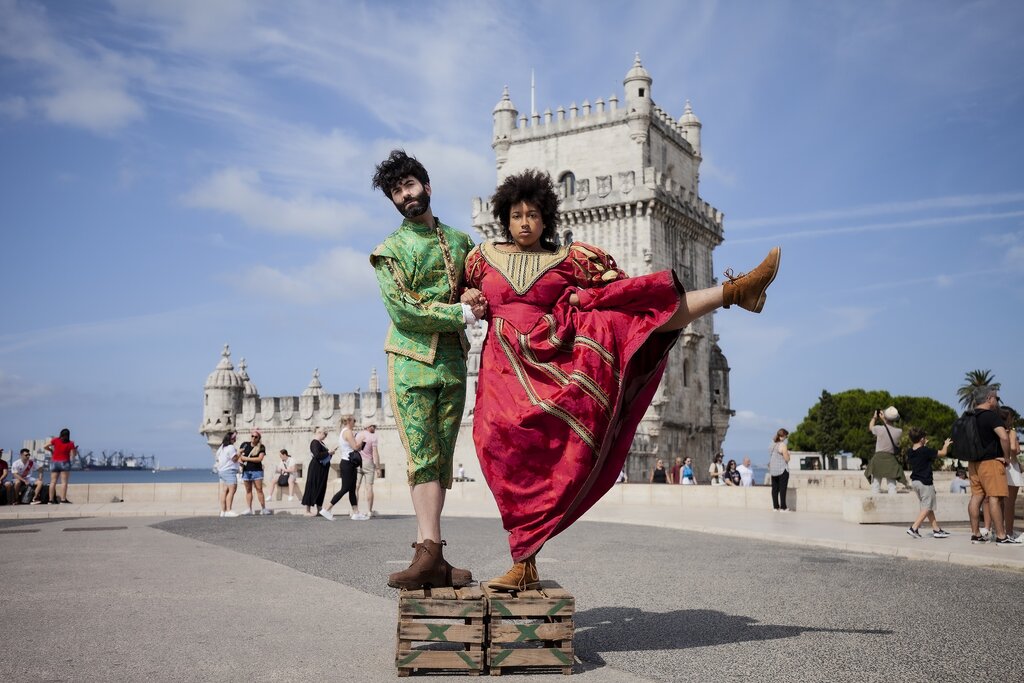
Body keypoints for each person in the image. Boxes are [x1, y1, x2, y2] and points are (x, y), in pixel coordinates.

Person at [463, 169, 782, 590]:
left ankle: (733, 291)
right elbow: (453, 297)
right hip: (502, 375)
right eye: (517, 214)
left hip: (552, 364)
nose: (524, 222)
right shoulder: (479, 259)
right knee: (495, 450)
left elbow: (628, 292)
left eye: (533, 214)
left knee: (643, 312)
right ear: (505, 217)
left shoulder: (570, 260)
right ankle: (525, 558)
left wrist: (582, 299)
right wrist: (468, 296)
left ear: (546, 219)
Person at [370, 150, 479, 589]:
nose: (405, 195)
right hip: (411, 361)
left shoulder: (460, 241)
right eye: (397, 191)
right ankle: (431, 552)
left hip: (453, 362)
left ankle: (428, 554)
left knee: (443, 459)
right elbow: (403, 309)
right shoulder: (389, 250)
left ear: (427, 187)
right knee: (422, 457)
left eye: (409, 186)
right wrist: (460, 315)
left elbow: (477, 285)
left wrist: (475, 299)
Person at [964, 386, 1015, 544]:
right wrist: (1006, 458)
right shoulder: (990, 416)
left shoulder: (968, 416)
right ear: (988, 398)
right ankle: (1001, 536)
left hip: (973, 463)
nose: (996, 401)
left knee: (976, 497)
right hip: (991, 462)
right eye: (996, 398)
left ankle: (976, 534)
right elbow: (1004, 438)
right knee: (994, 497)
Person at [905, 427, 951, 539]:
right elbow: (943, 453)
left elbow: (920, 454)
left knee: (927, 506)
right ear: (922, 439)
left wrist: (923, 445)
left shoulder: (910, 452)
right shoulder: (926, 451)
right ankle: (914, 528)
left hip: (915, 482)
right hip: (925, 482)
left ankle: (936, 530)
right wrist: (946, 444)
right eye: (924, 438)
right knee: (926, 507)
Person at [320, 416, 368, 521]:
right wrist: (362, 442)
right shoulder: (348, 432)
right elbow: (355, 447)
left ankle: (356, 513)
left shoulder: (344, 432)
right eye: (354, 420)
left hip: (348, 463)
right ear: (349, 421)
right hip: (348, 463)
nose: (355, 422)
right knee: (345, 488)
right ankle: (327, 509)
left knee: (352, 489)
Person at [865, 406, 907, 494]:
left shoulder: (879, 429)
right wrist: (885, 418)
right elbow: (889, 428)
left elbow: (870, 427)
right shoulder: (899, 431)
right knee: (892, 485)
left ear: (885, 417)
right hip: (890, 459)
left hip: (878, 459)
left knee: (876, 484)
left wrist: (875, 417)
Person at [302, 427, 334, 517]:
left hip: (322, 468)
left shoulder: (321, 443)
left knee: (321, 487)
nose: (325, 436)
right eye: (325, 434)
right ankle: (307, 510)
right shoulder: (314, 442)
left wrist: (330, 454)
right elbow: (317, 455)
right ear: (320, 433)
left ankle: (319, 508)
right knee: (312, 486)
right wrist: (328, 453)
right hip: (316, 468)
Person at [999, 405, 1021, 540]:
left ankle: (998, 531)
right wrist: (1016, 450)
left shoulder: (996, 431)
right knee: (1010, 504)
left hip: (1000, 465)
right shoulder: (1011, 431)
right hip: (1012, 467)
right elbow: (1014, 448)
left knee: (998, 502)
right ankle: (1009, 532)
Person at [238, 430, 270, 515]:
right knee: (248, 490)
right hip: (246, 470)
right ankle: (249, 509)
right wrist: (240, 460)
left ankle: (263, 508)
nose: (253, 438)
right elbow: (239, 455)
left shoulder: (261, 447)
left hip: (257, 471)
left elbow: (260, 459)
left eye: (256, 437)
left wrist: (246, 459)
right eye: (252, 436)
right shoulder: (245, 444)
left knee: (259, 489)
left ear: (259, 438)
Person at [44, 428, 78, 504]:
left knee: (52, 482)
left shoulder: (55, 440)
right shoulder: (71, 443)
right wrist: (75, 450)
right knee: (64, 482)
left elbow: (45, 446)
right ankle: (63, 500)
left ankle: (50, 500)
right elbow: (73, 455)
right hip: (64, 462)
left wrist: (51, 450)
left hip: (54, 462)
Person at [355, 423, 380, 518]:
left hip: (357, 462)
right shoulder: (373, 437)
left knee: (356, 487)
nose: (375, 428)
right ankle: (369, 511)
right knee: (369, 487)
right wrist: (377, 467)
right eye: (373, 426)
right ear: (368, 427)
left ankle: (355, 510)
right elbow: (375, 453)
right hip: (368, 462)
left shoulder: (358, 435)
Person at [216, 431, 240, 518]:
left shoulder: (221, 447)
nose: (235, 439)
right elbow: (234, 459)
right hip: (229, 471)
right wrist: (240, 453)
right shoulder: (231, 447)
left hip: (222, 471)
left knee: (224, 491)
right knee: (232, 490)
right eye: (235, 438)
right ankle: (229, 510)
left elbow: (218, 459)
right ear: (232, 439)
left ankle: (223, 511)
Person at [769, 429, 791, 511]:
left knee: (774, 489)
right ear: (784, 436)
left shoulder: (773, 444)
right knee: (782, 489)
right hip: (782, 469)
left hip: (774, 470)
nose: (786, 438)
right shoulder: (783, 445)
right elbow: (787, 459)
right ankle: (783, 507)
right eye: (786, 436)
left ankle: (775, 507)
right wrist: (789, 454)